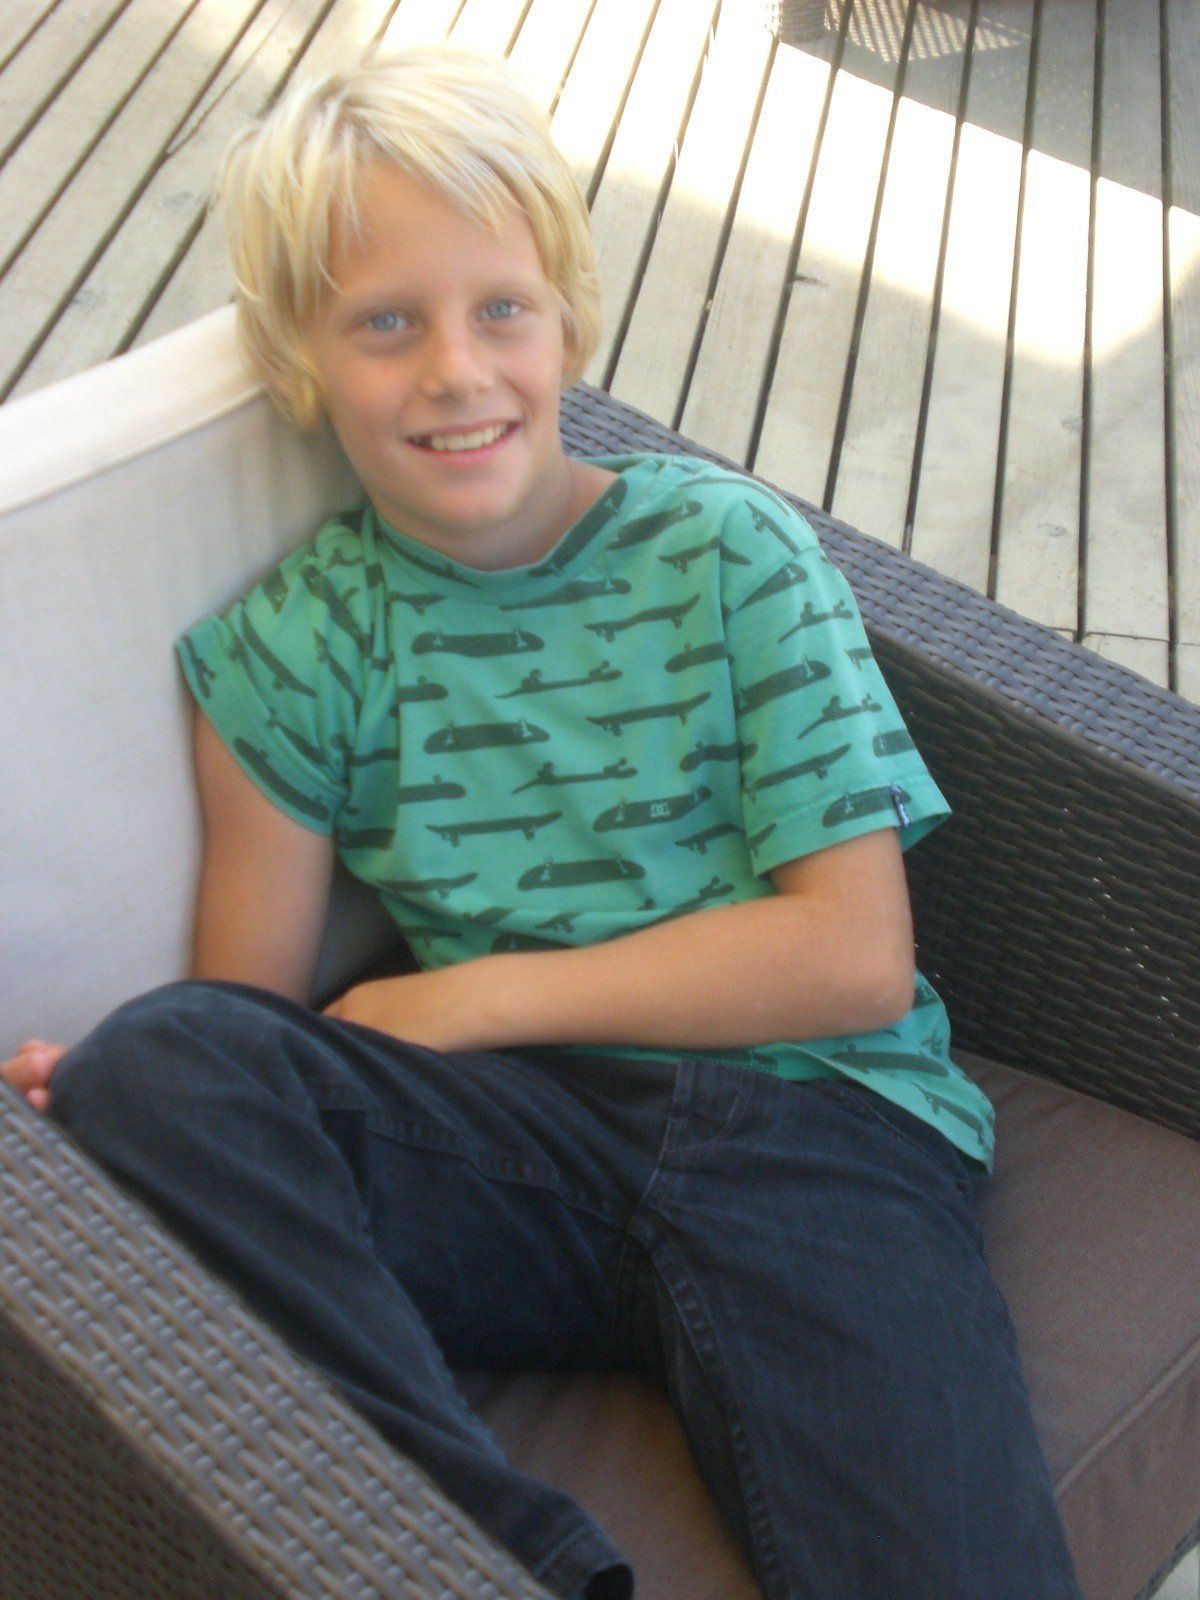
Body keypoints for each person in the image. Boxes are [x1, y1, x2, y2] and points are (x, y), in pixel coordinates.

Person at [1, 45, 1082, 1600]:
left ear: (570, 317)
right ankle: (496, 1568)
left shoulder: (727, 551)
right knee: (162, 1061)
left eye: (499, 308)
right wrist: (118, 1107)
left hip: (818, 1129)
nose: (456, 371)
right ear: (301, 360)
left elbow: (850, 959)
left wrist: (473, 998)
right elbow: (246, 1024)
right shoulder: (296, 649)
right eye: (386, 322)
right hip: (515, 1150)